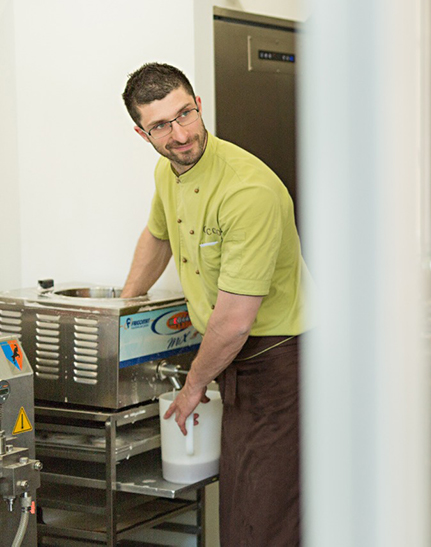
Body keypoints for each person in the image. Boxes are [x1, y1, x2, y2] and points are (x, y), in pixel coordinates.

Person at [120, 62, 307, 546]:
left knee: (266, 520)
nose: (179, 134)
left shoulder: (248, 190)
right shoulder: (168, 171)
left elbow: (236, 319)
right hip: (234, 360)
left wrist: (192, 387)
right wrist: (123, 309)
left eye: (185, 114)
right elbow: (157, 236)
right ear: (143, 133)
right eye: (161, 125)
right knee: (244, 509)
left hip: (278, 362)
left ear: (200, 104)